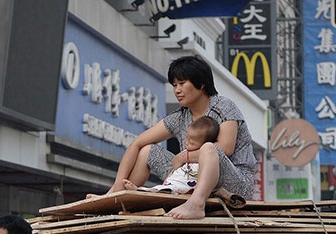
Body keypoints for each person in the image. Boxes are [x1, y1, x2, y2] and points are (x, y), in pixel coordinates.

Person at [91, 55, 257, 220]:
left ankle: (196, 204)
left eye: (182, 83)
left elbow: (225, 149)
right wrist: (116, 186)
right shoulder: (180, 117)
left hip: (234, 182)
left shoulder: (224, 107)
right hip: (189, 176)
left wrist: (182, 157)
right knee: (146, 150)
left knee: (209, 148)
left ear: (201, 83)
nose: (177, 90)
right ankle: (119, 198)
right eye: (174, 85)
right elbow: (137, 143)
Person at [123, 116, 219, 194]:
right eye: (187, 139)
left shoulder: (206, 158)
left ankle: (141, 192)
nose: (187, 143)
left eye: (192, 143)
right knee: (160, 189)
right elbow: (174, 170)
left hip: (187, 188)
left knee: (166, 191)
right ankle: (139, 191)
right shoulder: (184, 155)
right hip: (172, 185)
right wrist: (166, 182)